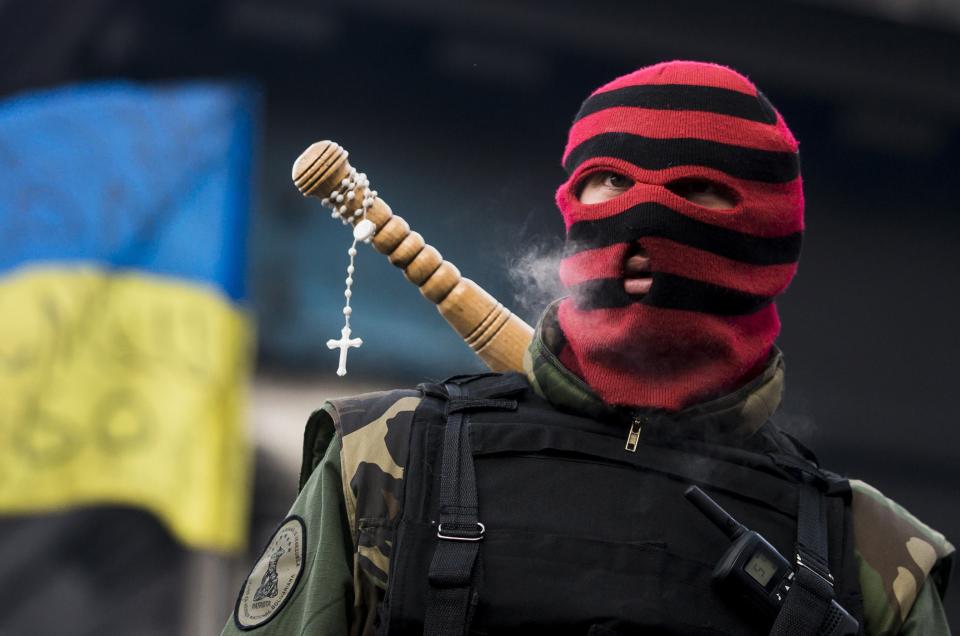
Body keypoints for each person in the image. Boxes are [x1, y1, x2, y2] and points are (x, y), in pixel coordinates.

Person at [222, 61, 953, 635]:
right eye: (609, 182)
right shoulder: (386, 460)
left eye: (699, 191)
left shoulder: (876, 555)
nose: (642, 217)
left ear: (770, 236)